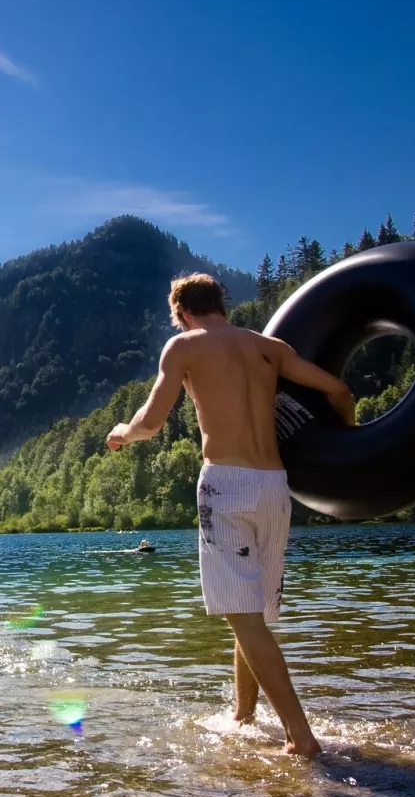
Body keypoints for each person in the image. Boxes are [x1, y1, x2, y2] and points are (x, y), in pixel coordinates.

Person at [105, 273, 355, 758]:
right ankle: (243, 715)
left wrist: (122, 433)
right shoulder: (269, 347)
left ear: (181, 313)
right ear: (221, 303)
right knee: (252, 614)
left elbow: (152, 422)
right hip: (274, 486)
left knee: (244, 618)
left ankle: (300, 737)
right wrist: (347, 454)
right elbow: (341, 391)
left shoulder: (183, 347)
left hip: (225, 484)